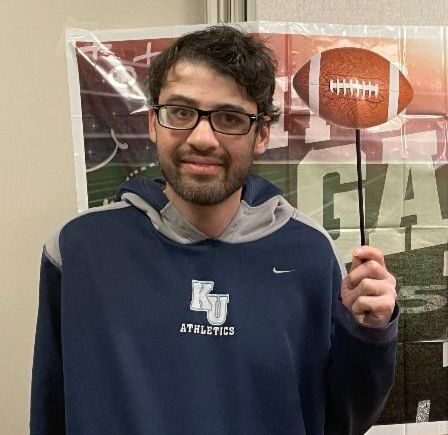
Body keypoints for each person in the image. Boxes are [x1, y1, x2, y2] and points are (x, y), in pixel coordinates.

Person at [30, 25, 398, 435]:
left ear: (261, 134)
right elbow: (49, 412)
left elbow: (341, 420)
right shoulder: (78, 250)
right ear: (153, 123)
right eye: (182, 112)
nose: (203, 138)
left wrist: (369, 335)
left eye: (229, 117)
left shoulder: (309, 254)